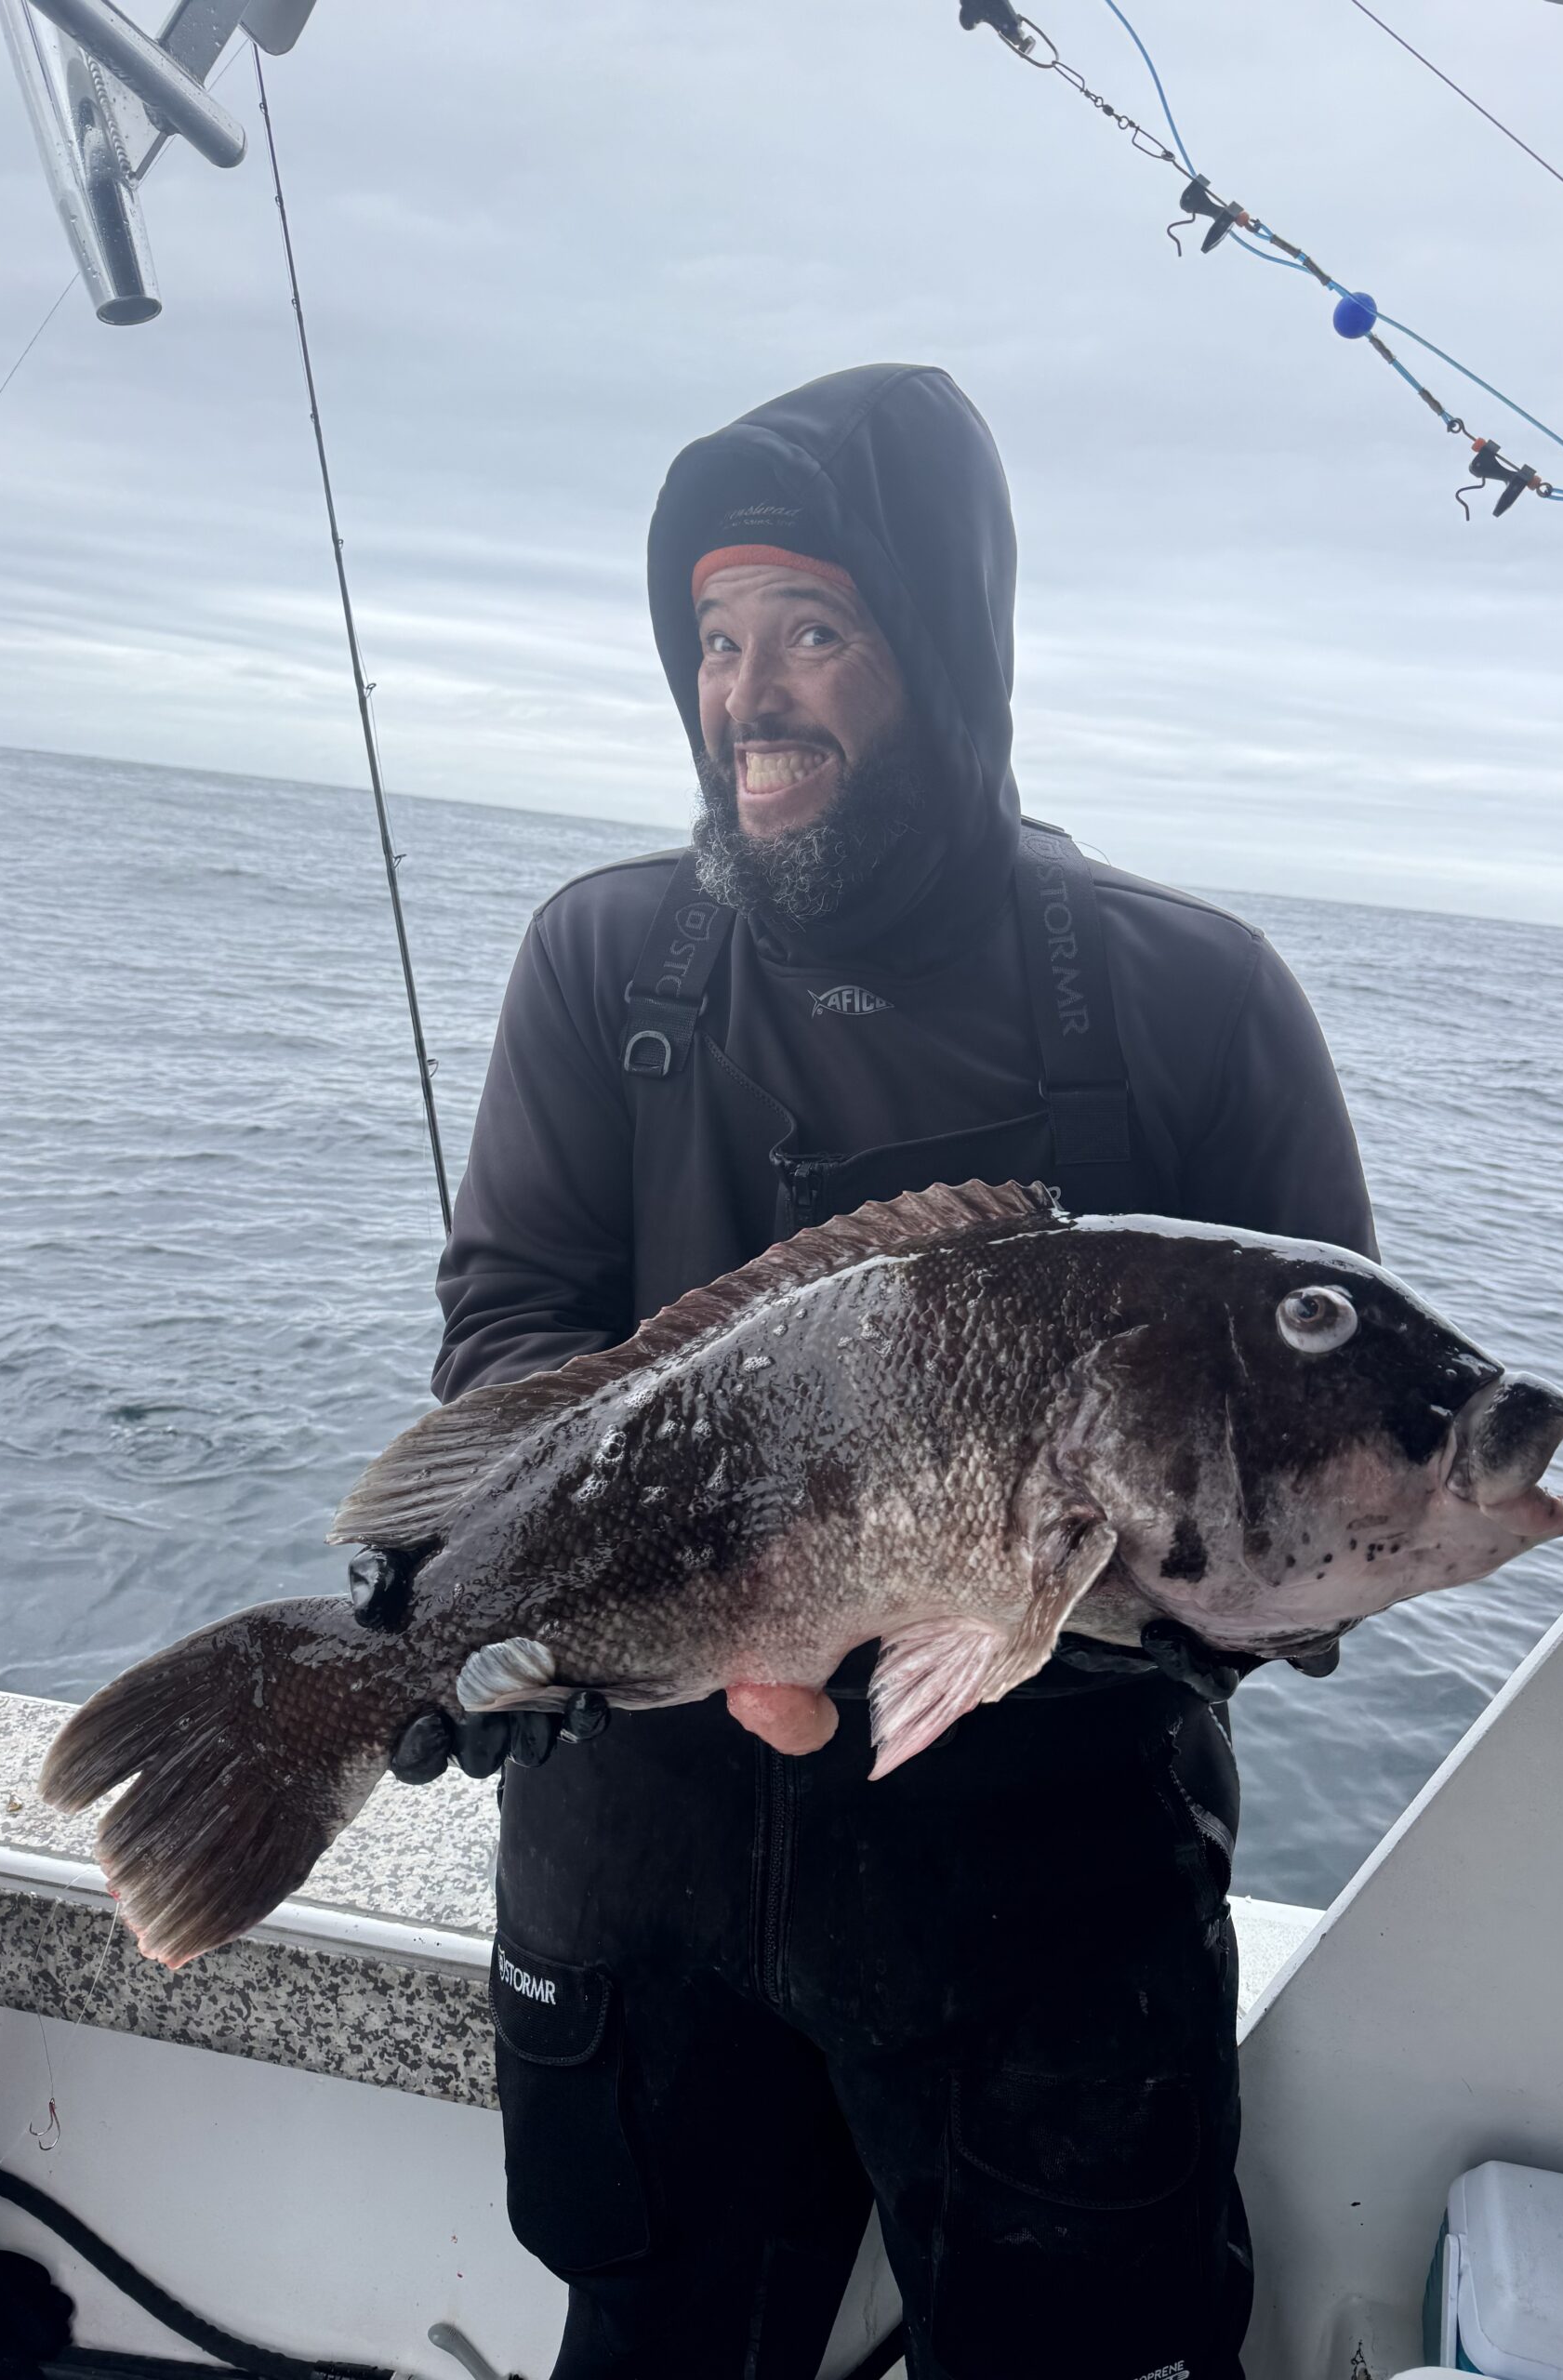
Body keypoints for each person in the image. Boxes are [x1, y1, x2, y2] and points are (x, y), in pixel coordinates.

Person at [391, 364, 1376, 2379]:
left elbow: (1327, 1458)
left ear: (945, 650)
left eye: (814, 632)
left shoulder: (1198, 997)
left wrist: (1236, 1589)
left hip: (1047, 1909)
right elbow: (510, 1317)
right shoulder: (599, 959)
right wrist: (526, 1590)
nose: (747, 696)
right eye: (715, 639)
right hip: (643, 1861)